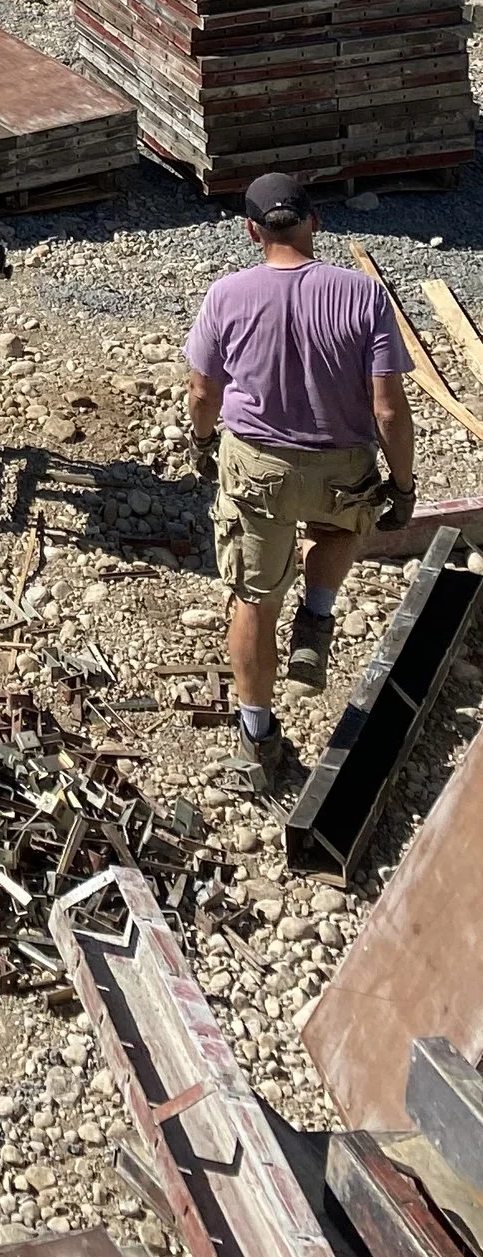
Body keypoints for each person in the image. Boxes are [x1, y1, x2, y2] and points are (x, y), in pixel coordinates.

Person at [184, 170, 414, 795]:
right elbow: (390, 407)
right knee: (344, 526)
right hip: (342, 464)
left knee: (254, 597)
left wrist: (202, 444)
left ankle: (257, 737)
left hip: (258, 467)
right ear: (315, 222)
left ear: (251, 230)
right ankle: (317, 616)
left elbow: (204, 392)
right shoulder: (363, 296)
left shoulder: (226, 296)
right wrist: (402, 484)